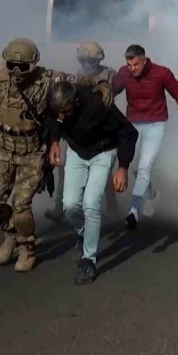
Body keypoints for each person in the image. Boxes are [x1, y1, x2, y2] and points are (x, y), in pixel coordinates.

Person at [0, 37, 113, 272]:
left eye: (22, 67)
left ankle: (27, 247)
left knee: (21, 206)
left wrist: (100, 85)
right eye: (11, 65)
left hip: (32, 154)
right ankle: (10, 234)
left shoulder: (48, 79)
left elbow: (78, 81)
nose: (16, 72)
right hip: (3, 153)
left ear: (33, 65)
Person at [47, 81, 138, 284]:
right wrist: (54, 141)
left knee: (91, 204)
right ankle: (82, 233)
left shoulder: (99, 106)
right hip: (77, 151)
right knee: (69, 204)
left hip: (103, 152)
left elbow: (128, 133)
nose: (61, 116)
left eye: (65, 111)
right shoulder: (55, 103)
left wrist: (122, 167)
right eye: (58, 112)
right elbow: (53, 119)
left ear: (77, 102)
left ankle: (89, 260)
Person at [112, 44, 178, 229]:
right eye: (129, 64)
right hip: (132, 125)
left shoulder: (162, 73)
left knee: (144, 166)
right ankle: (150, 195)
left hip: (156, 125)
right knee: (132, 166)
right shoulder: (124, 74)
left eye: (135, 64)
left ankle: (133, 210)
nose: (132, 68)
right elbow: (110, 92)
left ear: (144, 60)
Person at [45, 41, 118, 224]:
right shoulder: (75, 77)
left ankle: (111, 204)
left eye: (90, 61)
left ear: (99, 59)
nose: (86, 65)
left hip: (101, 128)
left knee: (104, 170)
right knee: (63, 169)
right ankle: (59, 207)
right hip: (76, 127)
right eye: (83, 60)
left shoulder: (111, 74)